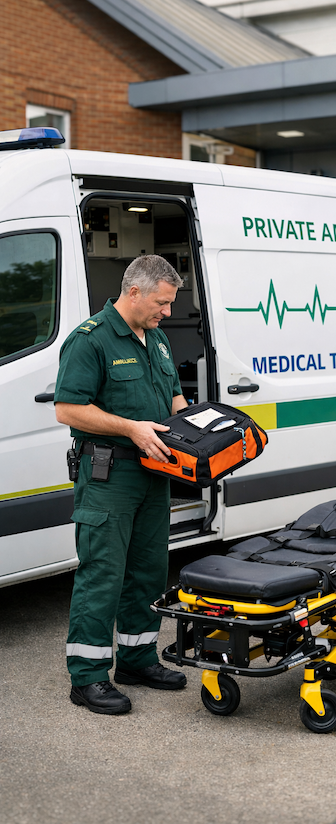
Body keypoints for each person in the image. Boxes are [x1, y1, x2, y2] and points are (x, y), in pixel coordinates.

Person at [54, 254, 188, 714]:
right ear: (133, 292)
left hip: (156, 474)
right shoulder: (89, 340)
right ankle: (88, 677)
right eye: (161, 303)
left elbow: (172, 397)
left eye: (170, 304)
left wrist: (196, 431)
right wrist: (132, 428)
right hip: (109, 474)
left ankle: (137, 660)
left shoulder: (158, 339)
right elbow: (68, 409)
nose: (167, 312)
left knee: (148, 571)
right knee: (103, 575)